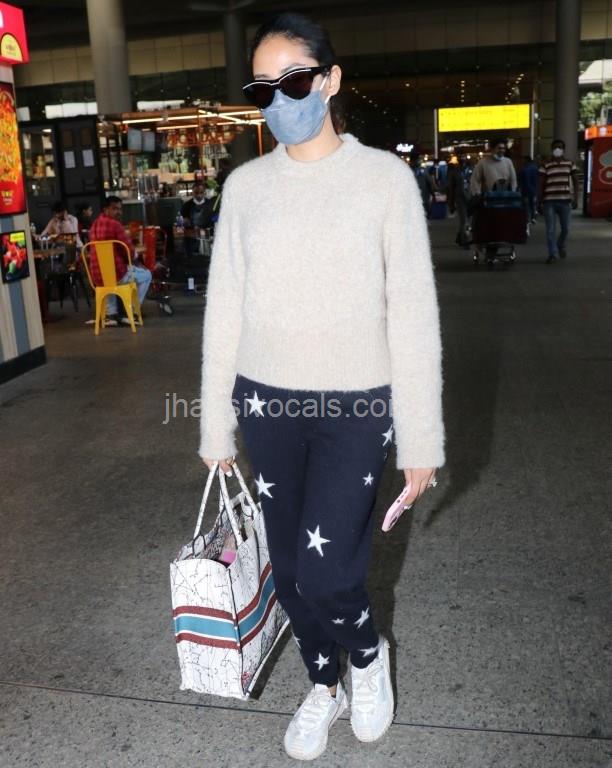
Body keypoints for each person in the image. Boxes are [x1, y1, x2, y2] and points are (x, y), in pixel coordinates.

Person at [199, 12, 444, 762]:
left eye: (295, 81)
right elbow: (224, 311)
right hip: (266, 404)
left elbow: (412, 313)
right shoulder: (245, 188)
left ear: (331, 81)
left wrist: (422, 439)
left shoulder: (385, 181)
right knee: (288, 574)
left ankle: (366, 656)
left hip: (357, 406)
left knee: (329, 569)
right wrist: (214, 425)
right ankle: (322, 683)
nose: (280, 99)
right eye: (262, 88)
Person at [88, 196, 152, 325]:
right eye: (115, 209)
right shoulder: (115, 225)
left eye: (119, 209)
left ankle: (111, 314)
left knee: (108, 278)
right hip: (117, 274)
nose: (119, 212)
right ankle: (132, 311)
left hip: (97, 275)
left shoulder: (94, 225)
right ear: (106, 209)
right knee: (146, 275)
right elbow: (128, 251)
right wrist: (134, 259)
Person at [470, 141, 518, 262]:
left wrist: (512, 194)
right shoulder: (483, 163)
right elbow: (475, 179)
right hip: (489, 200)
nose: (501, 150)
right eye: (499, 148)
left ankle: (492, 252)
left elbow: (513, 179)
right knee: (490, 226)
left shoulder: (508, 162)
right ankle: (489, 251)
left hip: (505, 200)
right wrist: (477, 195)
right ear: (492, 149)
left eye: (503, 148)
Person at [538, 139, 579, 264]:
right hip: (549, 201)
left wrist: (576, 198)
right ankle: (553, 254)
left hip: (565, 201)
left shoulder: (570, 164)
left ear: (563, 149)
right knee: (550, 230)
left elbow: (575, 181)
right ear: (552, 149)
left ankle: (560, 244)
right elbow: (541, 184)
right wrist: (539, 201)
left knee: (566, 229)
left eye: (560, 147)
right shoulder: (545, 165)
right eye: (555, 147)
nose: (557, 149)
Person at [181, 183, 215, 263]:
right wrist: (185, 223)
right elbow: (181, 224)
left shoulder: (211, 204)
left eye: (201, 192)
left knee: (207, 261)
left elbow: (214, 221)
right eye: (196, 193)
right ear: (192, 193)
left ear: (204, 192)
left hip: (207, 238)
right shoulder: (186, 206)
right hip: (191, 240)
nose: (199, 195)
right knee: (192, 262)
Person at [447, 155, 472, 248]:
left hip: (470, 197)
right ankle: (465, 241)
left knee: (468, 221)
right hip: (460, 198)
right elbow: (451, 188)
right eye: (461, 159)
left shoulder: (470, 170)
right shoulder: (454, 172)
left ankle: (459, 237)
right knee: (464, 221)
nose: (463, 161)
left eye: (464, 158)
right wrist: (451, 203)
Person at [519, 156, 539, 224]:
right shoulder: (535, 168)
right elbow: (538, 179)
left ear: (526, 160)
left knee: (526, 205)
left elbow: (521, 180)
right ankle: (533, 218)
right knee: (533, 204)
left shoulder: (523, 169)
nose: (522, 161)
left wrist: (520, 188)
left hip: (525, 190)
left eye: (523, 160)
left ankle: (527, 219)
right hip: (534, 189)